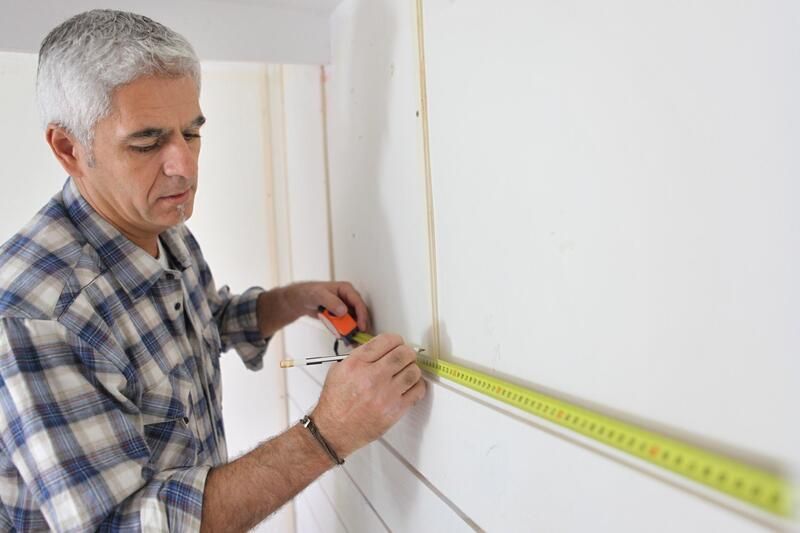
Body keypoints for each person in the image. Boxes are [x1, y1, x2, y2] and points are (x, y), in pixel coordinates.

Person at [0, 9, 426, 532]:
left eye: (192, 132)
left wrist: (291, 300)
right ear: (69, 149)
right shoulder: (37, 316)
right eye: (148, 142)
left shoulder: (157, 221)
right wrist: (328, 433)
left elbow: (200, 320)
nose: (185, 166)